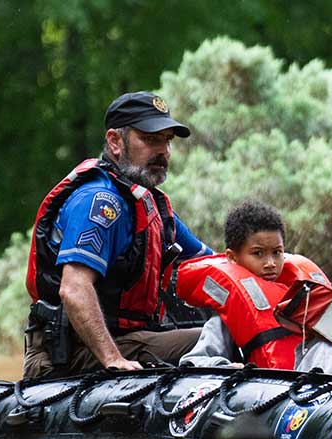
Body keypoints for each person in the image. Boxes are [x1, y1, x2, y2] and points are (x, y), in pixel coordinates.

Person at [23, 91, 214, 379]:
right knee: (213, 340)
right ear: (115, 141)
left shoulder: (149, 206)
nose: (162, 151)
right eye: (150, 140)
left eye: (167, 141)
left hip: (131, 340)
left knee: (225, 330)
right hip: (73, 354)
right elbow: (73, 289)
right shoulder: (100, 203)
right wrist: (113, 360)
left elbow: (210, 265)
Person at [173, 200, 327, 368]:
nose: (270, 263)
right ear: (232, 257)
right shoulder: (233, 310)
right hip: (267, 388)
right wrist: (227, 368)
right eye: (258, 253)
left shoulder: (302, 299)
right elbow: (196, 360)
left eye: (277, 252)